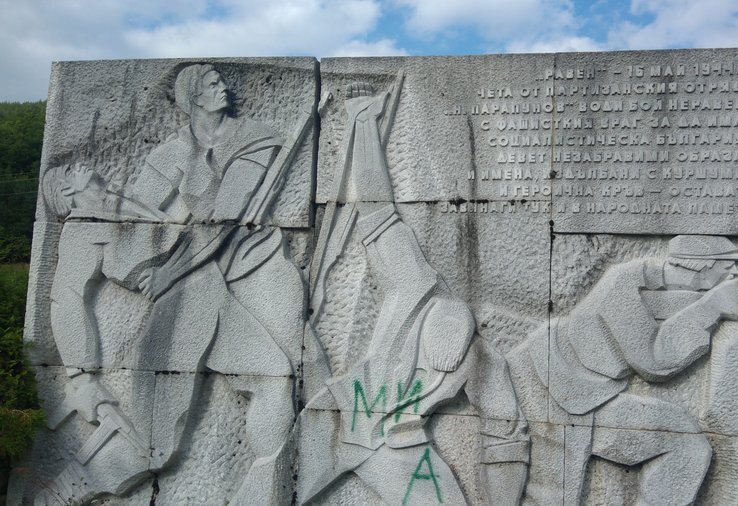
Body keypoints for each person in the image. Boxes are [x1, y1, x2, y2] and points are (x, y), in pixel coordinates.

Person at [35, 64, 306, 505]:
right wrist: (80, 375)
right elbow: (66, 299)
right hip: (179, 308)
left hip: (204, 287)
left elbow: (211, 216)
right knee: (152, 446)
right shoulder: (82, 232)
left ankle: (262, 492)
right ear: (64, 197)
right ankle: (58, 494)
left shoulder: (128, 200)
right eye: (67, 175)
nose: (77, 167)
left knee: (274, 379)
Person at [299, 82, 529, 505]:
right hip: (336, 420)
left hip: (400, 445)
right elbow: (377, 207)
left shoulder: (483, 361)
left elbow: (508, 433)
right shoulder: (411, 282)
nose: (444, 358)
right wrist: (364, 123)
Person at [507, 235, 738, 505]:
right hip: (551, 384)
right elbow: (656, 362)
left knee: (686, 443)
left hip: (586, 394)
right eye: (727, 266)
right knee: (554, 495)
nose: (734, 273)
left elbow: (668, 309)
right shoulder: (623, 284)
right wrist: (711, 307)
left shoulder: (653, 283)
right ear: (701, 266)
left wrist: (711, 304)